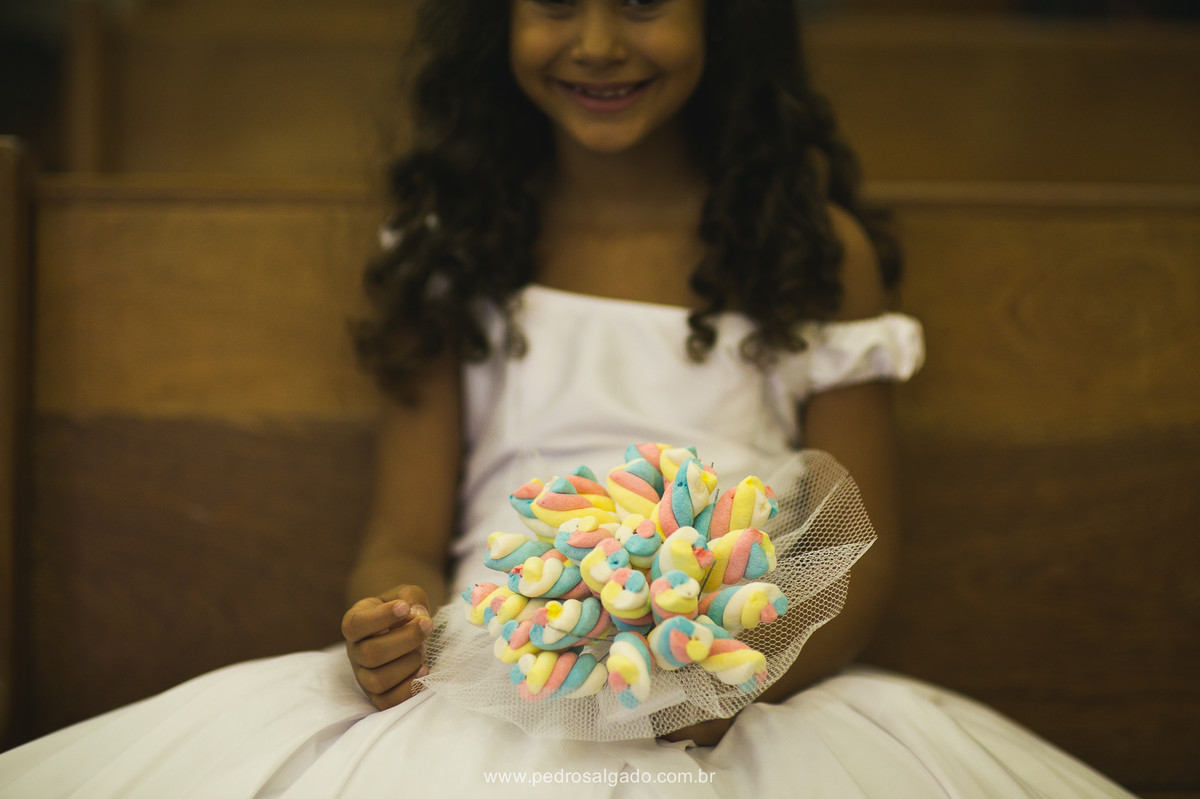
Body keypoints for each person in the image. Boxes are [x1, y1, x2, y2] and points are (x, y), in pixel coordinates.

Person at [0, 1, 1137, 796]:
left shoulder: (811, 253)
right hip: (494, 677)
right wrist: (386, 623)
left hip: (736, 686)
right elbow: (400, 531)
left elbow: (860, 553)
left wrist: (731, 676)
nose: (597, 40)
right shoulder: (452, 247)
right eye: (552, 0)